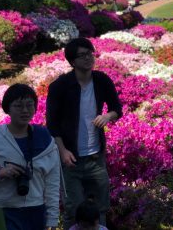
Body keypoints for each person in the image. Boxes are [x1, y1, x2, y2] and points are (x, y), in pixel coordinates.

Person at [47, 38, 123, 230]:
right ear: (72, 61)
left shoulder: (101, 80)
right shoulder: (60, 87)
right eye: (82, 55)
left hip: (96, 157)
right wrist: (62, 151)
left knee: (101, 208)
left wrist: (108, 116)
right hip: (70, 159)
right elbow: (52, 124)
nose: (89, 58)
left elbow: (117, 109)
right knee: (73, 210)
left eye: (90, 53)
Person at [0, 84, 60, 230]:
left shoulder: (45, 139)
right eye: (18, 106)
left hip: (36, 212)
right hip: (3, 213)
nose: (25, 110)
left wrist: (52, 219)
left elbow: (53, 181)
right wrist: (0, 173)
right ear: (8, 108)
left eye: (29, 105)